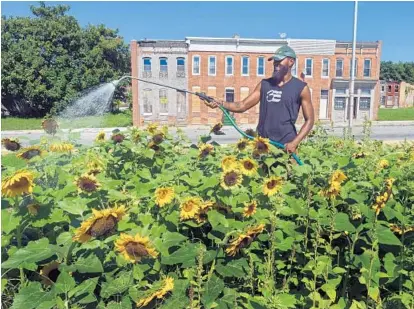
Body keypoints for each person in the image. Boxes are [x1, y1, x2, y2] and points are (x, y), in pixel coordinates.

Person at [202, 45, 314, 156]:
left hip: (287, 145)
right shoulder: (265, 84)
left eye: (279, 61)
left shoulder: (301, 88)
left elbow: (310, 120)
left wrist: (294, 143)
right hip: (263, 145)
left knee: (290, 174)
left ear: (291, 62)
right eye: (274, 61)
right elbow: (242, 105)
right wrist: (219, 103)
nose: (275, 64)